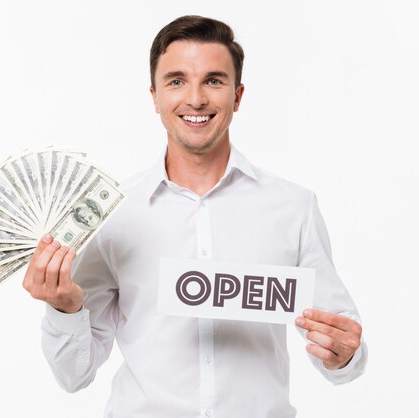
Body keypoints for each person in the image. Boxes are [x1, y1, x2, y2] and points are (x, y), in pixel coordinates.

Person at [23, 15, 367, 417]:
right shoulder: (110, 214)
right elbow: (73, 374)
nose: (196, 99)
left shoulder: (293, 207)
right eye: (176, 81)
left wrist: (343, 355)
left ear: (237, 97)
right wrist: (64, 307)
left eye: (214, 81)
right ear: (154, 96)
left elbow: (343, 355)